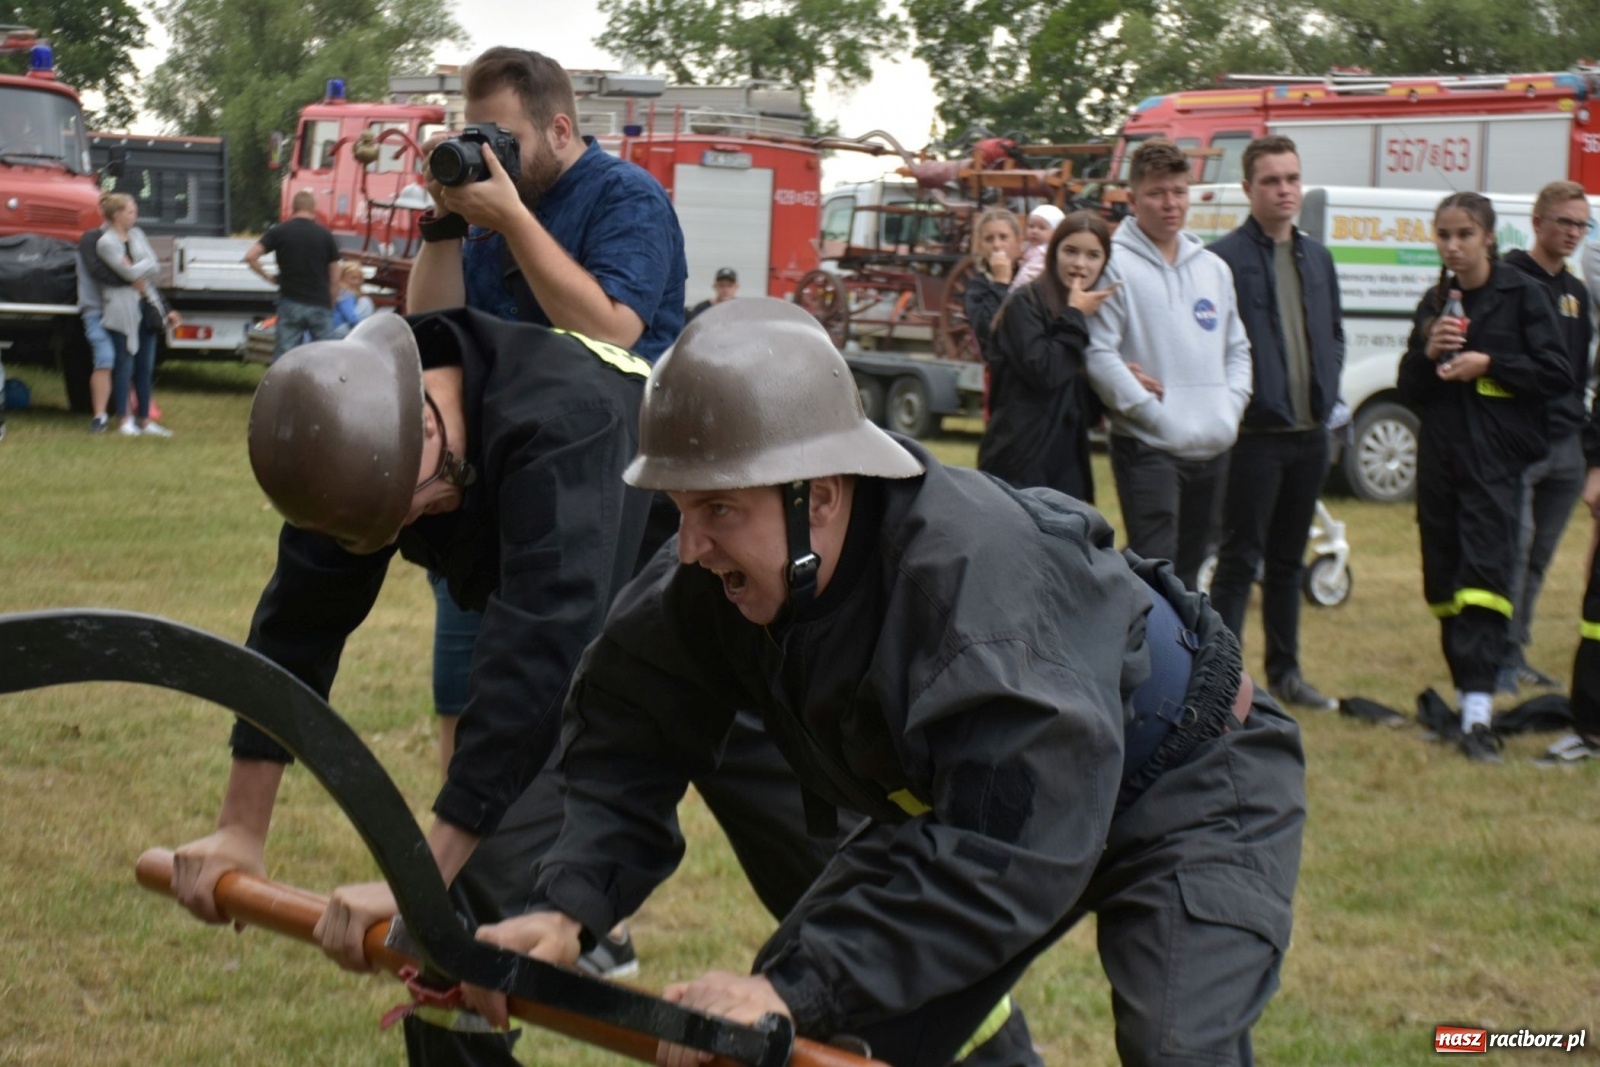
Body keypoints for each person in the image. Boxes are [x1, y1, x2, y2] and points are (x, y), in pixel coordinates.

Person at [465, 298, 1306, 1067]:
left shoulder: (974, 592)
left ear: (819, 498)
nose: (689, 547)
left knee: (1176, 1050)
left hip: (1188, 782)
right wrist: (568, 904)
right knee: (800, 1033)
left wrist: (799, 985)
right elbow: (629, 735)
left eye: (717, 509)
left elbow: (1008, 853)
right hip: (984, 802)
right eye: (680, 509)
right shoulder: (718, 576)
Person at [171, 310, 838, 1065]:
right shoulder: (354, 431)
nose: (415, 526)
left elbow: (539, 650)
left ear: (424, 427)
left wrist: (418, 878)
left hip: (737, 634)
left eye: (418, 505)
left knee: (851, 885)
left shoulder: (562, 418)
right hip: (619, 660)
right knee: (470, 918)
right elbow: (298, 624)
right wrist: (240, 828)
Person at [1397, 192, 1570, 763]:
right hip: (1440, 461)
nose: (1453, 246)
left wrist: (1489, 363)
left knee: (1485, 580)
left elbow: (1555, 373)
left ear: (1489, 238)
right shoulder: (1434, 301)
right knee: (1444, 583)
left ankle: (1479, 710)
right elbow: (1411, 391)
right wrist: (1428, 350)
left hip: (1496, 461)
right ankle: (1463, 697)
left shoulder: (1524, 296)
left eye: (1465, 234)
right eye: (1443, 235)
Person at [407, 47, 685, 362]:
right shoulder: (496, 191)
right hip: (497, 403)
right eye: (477, 139)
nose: (489, 156)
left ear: (560, 132)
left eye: (503, 141)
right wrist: (446, 217)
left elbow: (612, 334)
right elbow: (432, 329)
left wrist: (514, 221)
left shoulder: (627, 194)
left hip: (607, 407)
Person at [1207, 136, 1344, 712]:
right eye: (1271, 180)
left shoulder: (1319, 258)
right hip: (1254, 439)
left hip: (1310, 435)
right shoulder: (1222, 260)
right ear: (1248, 189)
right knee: (1240, 562)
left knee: (1289, 564)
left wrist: (1329, 391)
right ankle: (1220, 683)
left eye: (1292, 178)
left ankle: (1286, 674)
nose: (1285, 189)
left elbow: (1333, 332)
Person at [1085, 139, 1253, 591]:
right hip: (1149, 446)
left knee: (1194, 572)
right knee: (1153, 572)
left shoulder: (1214, 268)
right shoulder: (1112, 264)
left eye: (1179, 191)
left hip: (1213, 445)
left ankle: (1191, 660)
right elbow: (1099, 352)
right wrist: (1146, 409)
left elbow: (1237, 349)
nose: (1171, 203)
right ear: (1134, 198)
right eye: (1158, 193)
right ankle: (1147, 661)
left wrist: (1229, 408)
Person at [1496, 182, 1594, 694]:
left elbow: (1578, 370)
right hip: (1520, 440)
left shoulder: (1576, 292)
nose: (1574, 233)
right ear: (1537, 222)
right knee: (1513, 549)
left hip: (1567, 443)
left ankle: (1520, 649)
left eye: (1582, 224)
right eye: (1565, 222)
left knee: (1539, 558)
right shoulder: (1510, 279)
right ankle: (1500, 658)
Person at [978, 211, 1118, 503]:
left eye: (1093, 255)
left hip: (1066, 464)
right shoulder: (1025, 303)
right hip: (1019, 461)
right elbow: (1045, 370)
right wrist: (1075, 316)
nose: (1080, 264)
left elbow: (1088, 411)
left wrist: (1114, 374)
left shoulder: (1089, 311)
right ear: (1054, 253)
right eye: (1070, 251)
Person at [95, 193, 178, 438]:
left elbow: (154, 265)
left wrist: (134, 267)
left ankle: (145, 419)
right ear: (117, 215)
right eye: (131, 211)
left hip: (146, 305)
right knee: (124, 363)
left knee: (146, 365)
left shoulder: (138, 235)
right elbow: (130, 274)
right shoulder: (106, 242)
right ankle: (124, 419)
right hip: (122, 309)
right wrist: (135, 269)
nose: (136, 215)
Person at [246, 190, 342, 362]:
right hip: (319, 303)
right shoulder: (325, 235)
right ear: (314, 208)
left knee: (285, 355)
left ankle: (283, 388)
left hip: (290, 302)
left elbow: (251, 256)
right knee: (327, 356)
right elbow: (335, 275)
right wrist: (332, 301)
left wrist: (268, 277)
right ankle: (324, 387)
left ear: (293, 208)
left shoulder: (279, 232)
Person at [75, 222, 132, 434]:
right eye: (129, 213)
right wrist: (127, 272)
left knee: (127, 361)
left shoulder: (130, 239)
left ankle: (127, 418)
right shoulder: (92, 240)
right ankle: (100, 416)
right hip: (96, 310)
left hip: (121, 309)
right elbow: (100, 271)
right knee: (105, 358)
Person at [1008, 204, 1065, 291]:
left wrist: (1012, 290)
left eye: (1042, 228)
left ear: (1055, 233)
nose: (1034, 231)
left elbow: (1027, 275)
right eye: (1031, 226)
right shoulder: (1030, 247)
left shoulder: (1042, 253)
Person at [329, 262, 376, 339]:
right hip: (338, 330)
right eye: (352, 278)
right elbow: (351, 317)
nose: (356, 282)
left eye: (359, 278)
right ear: (342, 278)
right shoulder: (345, 293)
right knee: (366, 301)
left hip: (332, 328)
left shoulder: (336, 291)